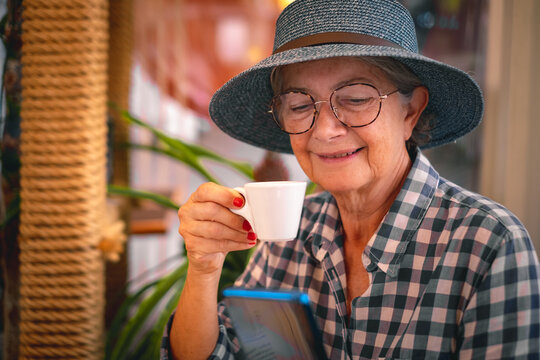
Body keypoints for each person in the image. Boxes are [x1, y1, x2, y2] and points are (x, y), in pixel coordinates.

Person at [162, 0, 540, 358]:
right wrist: (204, 267)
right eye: (298, 104)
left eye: (356, 98)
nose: (325, 130)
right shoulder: (286, 236)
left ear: (411, 111)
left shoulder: (487, 243)